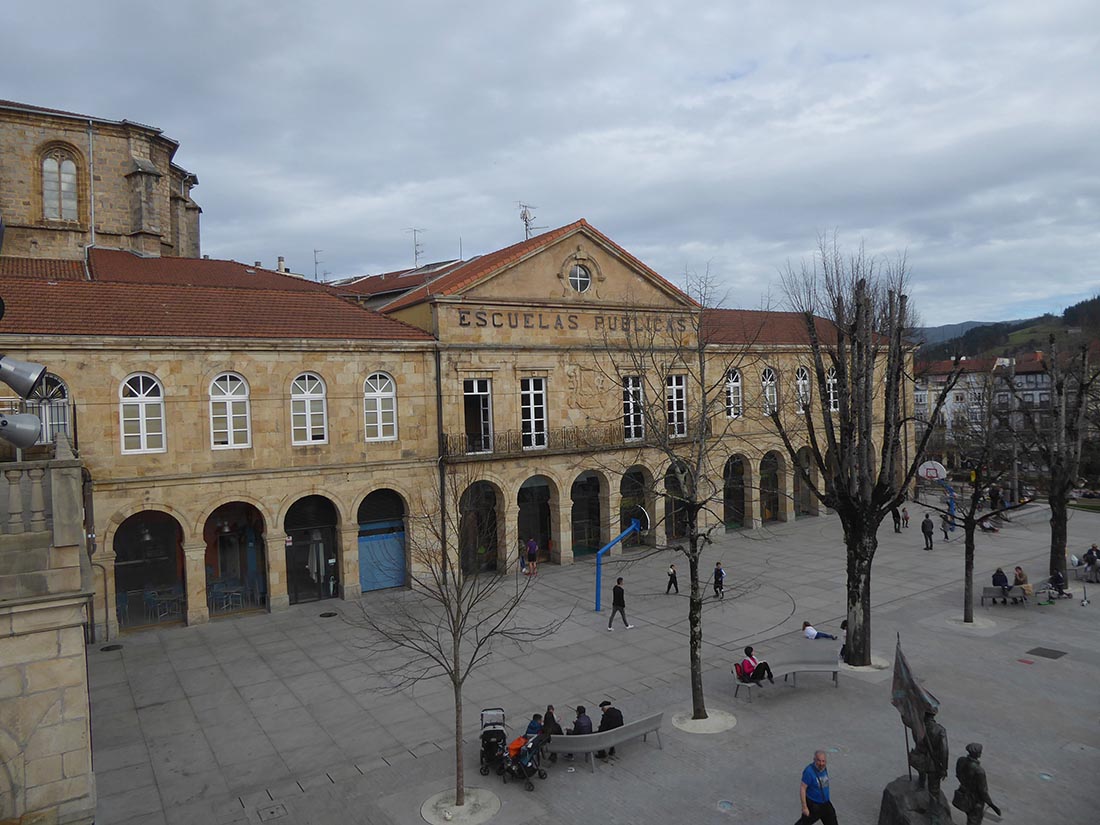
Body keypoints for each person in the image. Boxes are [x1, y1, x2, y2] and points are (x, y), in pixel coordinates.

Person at [908, 708, 949, 813]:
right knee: (934, 791)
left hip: (919, 758)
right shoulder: (940, 730)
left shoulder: (917, 726)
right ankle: (934, 817)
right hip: (932, 764)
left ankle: (921, 783)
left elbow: (907, 722)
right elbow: (944, 750)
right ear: (934, 715)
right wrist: (944, 768)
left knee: (922, 770)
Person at [953, 743, 1001, 824]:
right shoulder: (979, 771)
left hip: (964, 794)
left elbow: (958, 775)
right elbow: (983, 792)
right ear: (978, 754)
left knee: (970, 817)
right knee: (974, 821)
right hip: (975, 801)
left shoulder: (961, 760)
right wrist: (992, 805)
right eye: (980, 752)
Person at [796, 749, 838, 825]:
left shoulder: (824, 768)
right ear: (814, 760)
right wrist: (804, 807)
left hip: (826, 803)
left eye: (823, 761)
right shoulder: (809, 771)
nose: (821, 763)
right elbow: (802, 788)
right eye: (819, 761)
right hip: (814, 805)